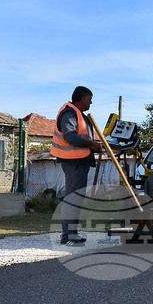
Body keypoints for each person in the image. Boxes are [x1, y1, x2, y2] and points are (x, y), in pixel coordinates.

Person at [51, 85, 103, 245]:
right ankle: (67, 236)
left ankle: (72, 233)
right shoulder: (70, 112)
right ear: (82, 98)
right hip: (73, 162)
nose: (91, 103)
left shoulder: (80, 115)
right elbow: (70, 136)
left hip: (80, 161)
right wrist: (91, 145)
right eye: (90, 99)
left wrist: (94, 144)